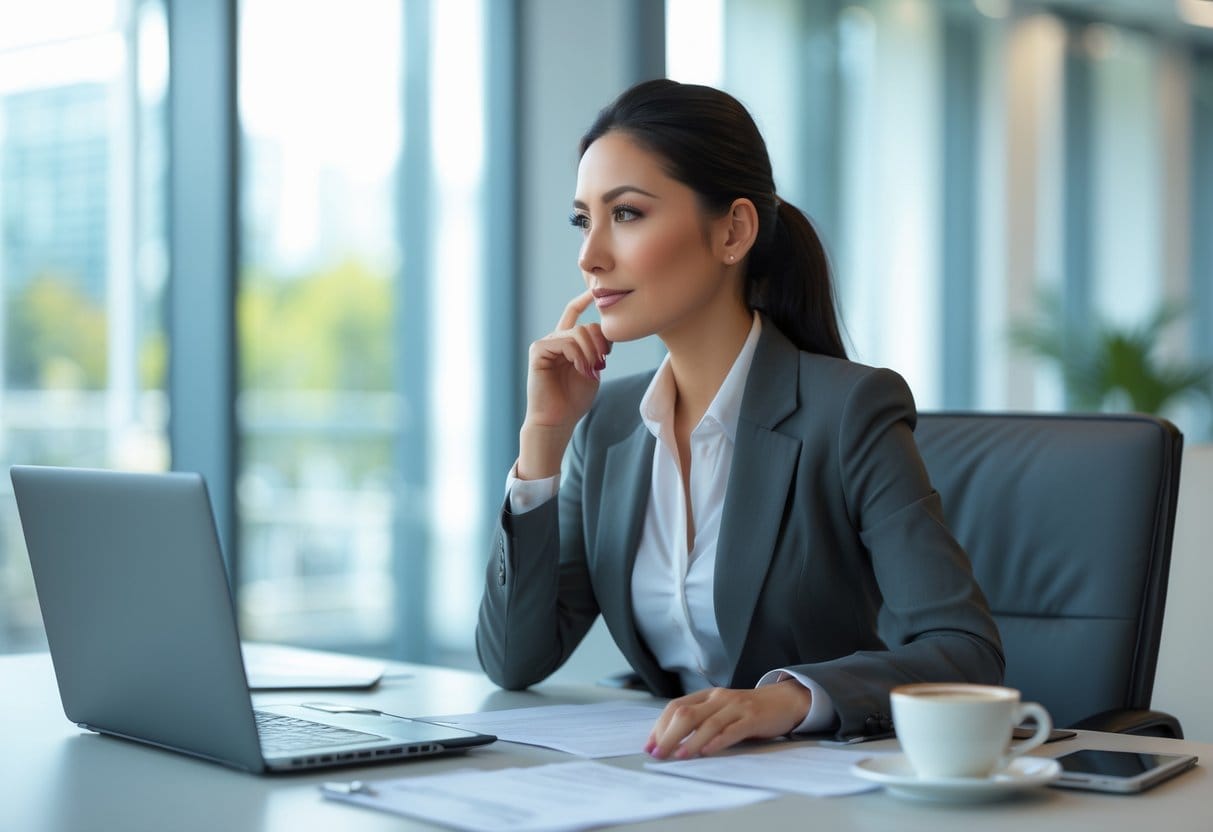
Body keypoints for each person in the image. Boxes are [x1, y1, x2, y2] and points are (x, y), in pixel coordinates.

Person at [476, 79, 1003, 759]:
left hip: (822, 789)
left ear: (732, 231)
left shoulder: (847, 412)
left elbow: (964, 651)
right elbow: (513, 660)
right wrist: (543, 440)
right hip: (675, 780)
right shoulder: (607, 425)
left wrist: (782, 701)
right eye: (584, 220)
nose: (589, 256)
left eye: (627, 214)